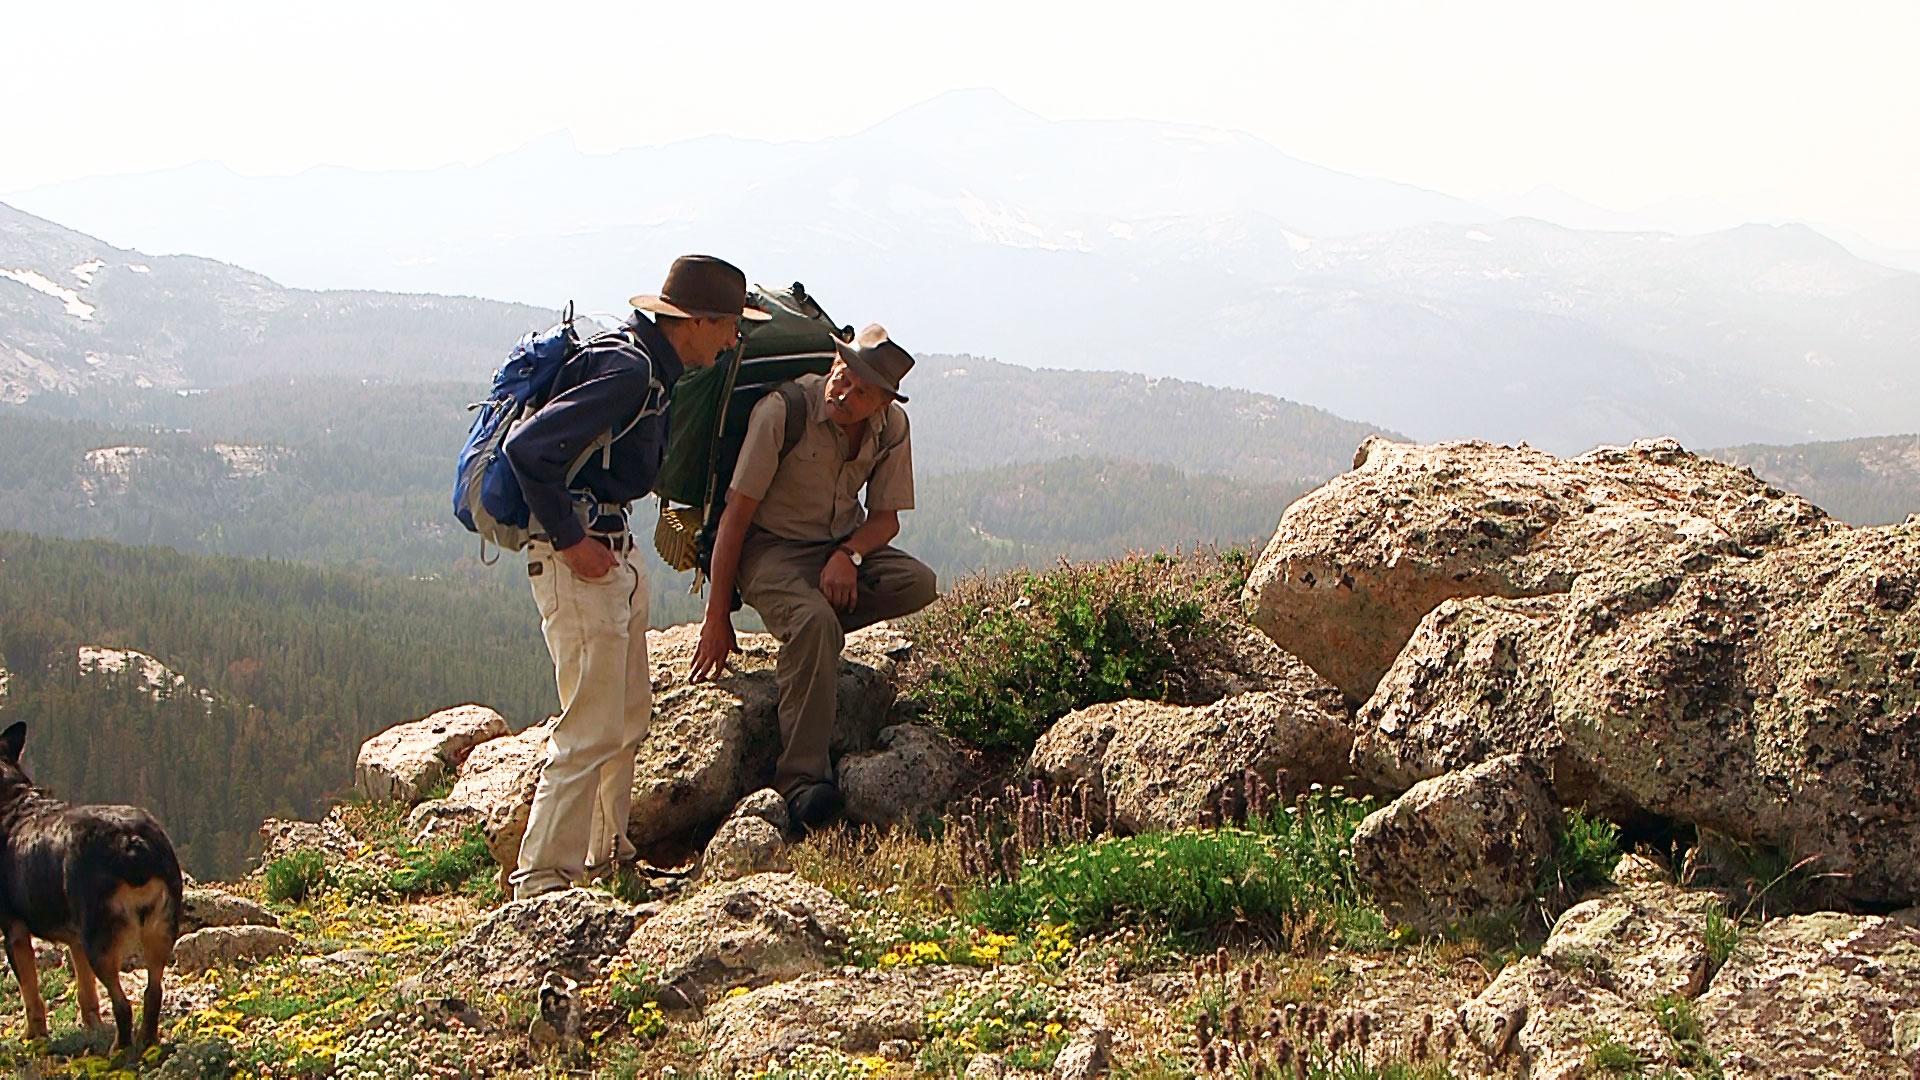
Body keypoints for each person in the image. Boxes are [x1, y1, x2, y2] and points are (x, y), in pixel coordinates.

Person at [505, 255, 769, 900]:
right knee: (590, 725)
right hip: (582, 560)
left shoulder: (649, 366)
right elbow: (526, 450)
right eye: (729, 325)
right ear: (697, 321)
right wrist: (572, 542)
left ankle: (607, 856)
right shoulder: (628, 371)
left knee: (626, 716)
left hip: (611, 551)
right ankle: (543, 880)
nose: (733, 339)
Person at [690, 323, 939, 828]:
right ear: (833, 364)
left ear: (883, 402)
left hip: (836, 547)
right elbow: (735, 518)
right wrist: (717, 617)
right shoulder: (784, 412)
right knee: (815, 624)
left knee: (916, 582)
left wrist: (849, 554)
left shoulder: (891, 427)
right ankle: (801, 781)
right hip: (770, 550)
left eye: (862, 392)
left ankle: (811, 643)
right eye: (843, 377)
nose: (845, 394)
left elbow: (886, 520)